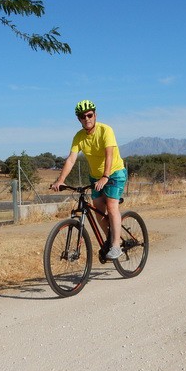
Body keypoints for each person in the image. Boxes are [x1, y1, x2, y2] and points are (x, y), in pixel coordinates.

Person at [51, 100, 128, 261]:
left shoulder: (105, 130)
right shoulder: (79, 137)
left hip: (114, 173)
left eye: (89, 115)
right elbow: (71, 159)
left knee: (111, 206)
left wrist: (105, 176)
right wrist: (61, 180)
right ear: (78, 119)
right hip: (95, 177)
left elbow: (109, 155)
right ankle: (110, 238)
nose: (86, 119)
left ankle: (116, 245)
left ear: (95, 115)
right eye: (82, 116)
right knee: (98, 208)